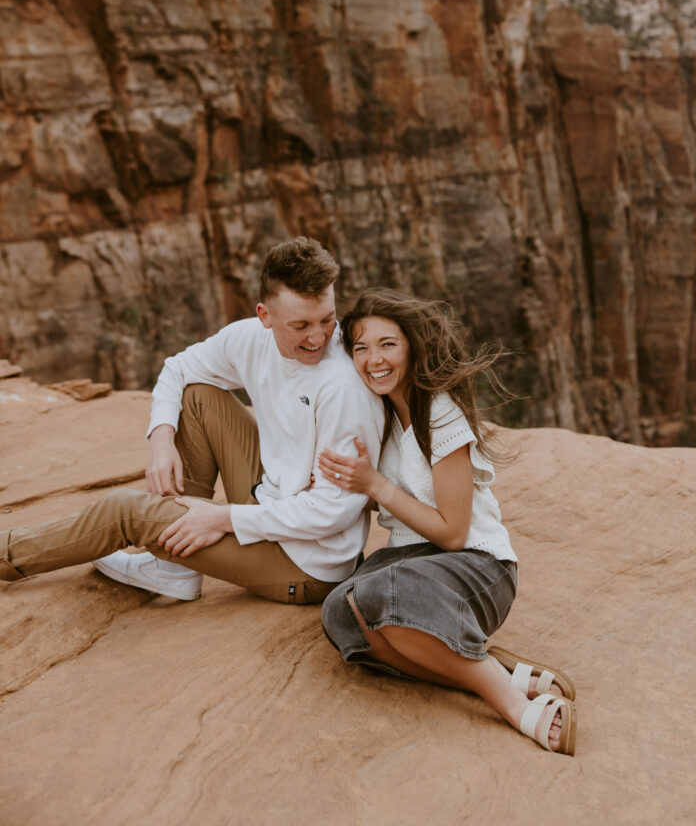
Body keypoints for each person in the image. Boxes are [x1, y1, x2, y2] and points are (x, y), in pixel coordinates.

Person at [0, 238, 384, 606]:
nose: (318, 337)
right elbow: (178, 368)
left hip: (307, 563)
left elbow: (332, 512)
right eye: (300, 326)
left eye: (328, 319)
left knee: (125, 512)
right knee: (197, 395)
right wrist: (161, 438)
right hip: (272, 495)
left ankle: (7, 555)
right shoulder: (250, 339)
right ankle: (173, 567)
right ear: (264, 316)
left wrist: (222, 518)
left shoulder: (342, 387)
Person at [317, 289, 577, 755]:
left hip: (477, 567)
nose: (373, 359)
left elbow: (454, 533)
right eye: (361, 348)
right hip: (417, 563)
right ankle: (491, 670)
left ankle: (513, 706)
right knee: (341, 613)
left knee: (381, 594)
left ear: (412, 346)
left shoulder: (439, 411)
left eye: (387, 344)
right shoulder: (378, 414)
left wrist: (375, 485)